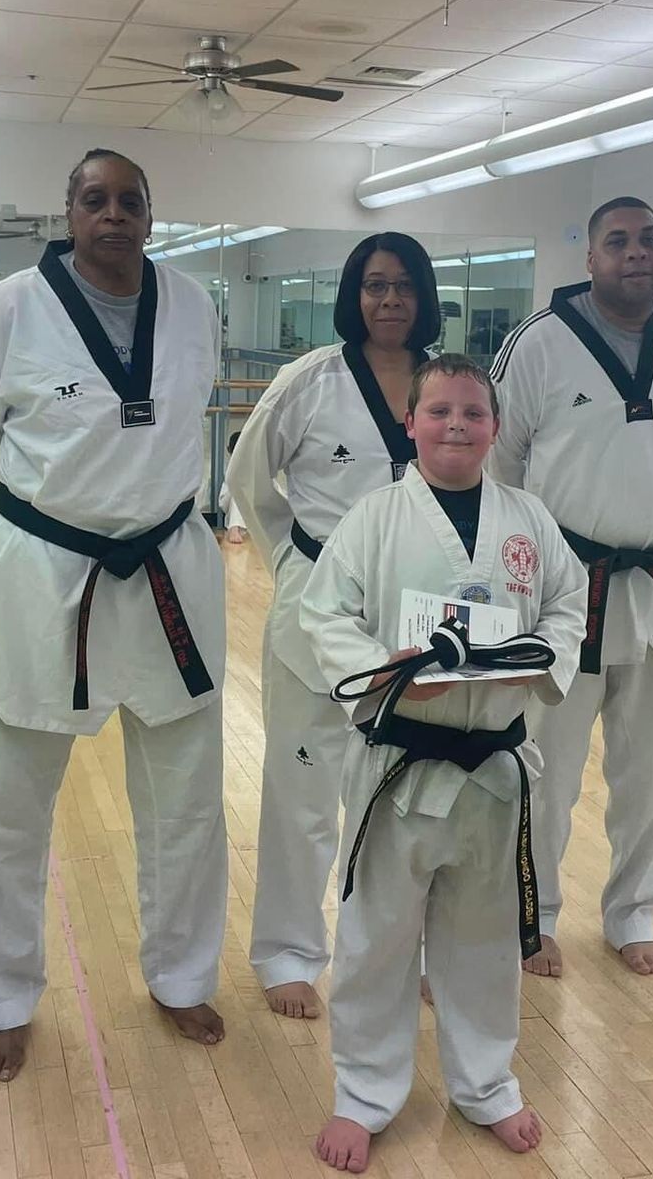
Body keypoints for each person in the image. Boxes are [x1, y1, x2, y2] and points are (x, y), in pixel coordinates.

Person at [0, 148, 228, 1083]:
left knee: (185, 799)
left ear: (153, 214)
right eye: (95, 200)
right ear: (66, 210)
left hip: (167, 575)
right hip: (44, 578)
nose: (114, 215)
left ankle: (183, 977)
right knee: (10, 805)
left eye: (131, 202)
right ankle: (0, 996)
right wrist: (16, 546)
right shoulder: (9, 308)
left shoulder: (193, 307)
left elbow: (191, 431)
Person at [299, 354, 587, 1173]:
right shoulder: (375, 517)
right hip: (401, 761)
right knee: (376, 938)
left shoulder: (529, 518)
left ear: (496, 426)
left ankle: (486, 1084)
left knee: (486, 941)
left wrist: (544, 657)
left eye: (473, 412)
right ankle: (363, 1092)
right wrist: (384, 676)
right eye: (439, 412)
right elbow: (326, 613)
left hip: (495, 767)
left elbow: (568, 603)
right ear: (410, 424)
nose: (456, 424)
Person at [488, 197, 653, 981]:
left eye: (649, 239)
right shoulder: (539, 346)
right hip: (564, 588)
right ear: (588, 258)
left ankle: (632, 911)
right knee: (546, 766)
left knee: (651, 769)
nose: (636, 254)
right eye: (617, 242)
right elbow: (501, 464)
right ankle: (535, 912)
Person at [227, 231, 442, 1020]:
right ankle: (288, 951)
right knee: (304, 788)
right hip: (318, 606)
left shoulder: (442, 384)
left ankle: (401, 950)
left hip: (415, 617)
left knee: (409, 795)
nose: (390, 301)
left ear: (424, 296)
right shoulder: (309, 381)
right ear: (352, 295)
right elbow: (250, 476)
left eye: (404, 286)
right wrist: (290, 559)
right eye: (374, 286)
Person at [218, 430, 248, 543]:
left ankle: (237, 528)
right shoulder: (228, 464)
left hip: (249, 504)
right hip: (230, 499)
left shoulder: (254, 462)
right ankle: (234, 528)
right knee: (237, 491)